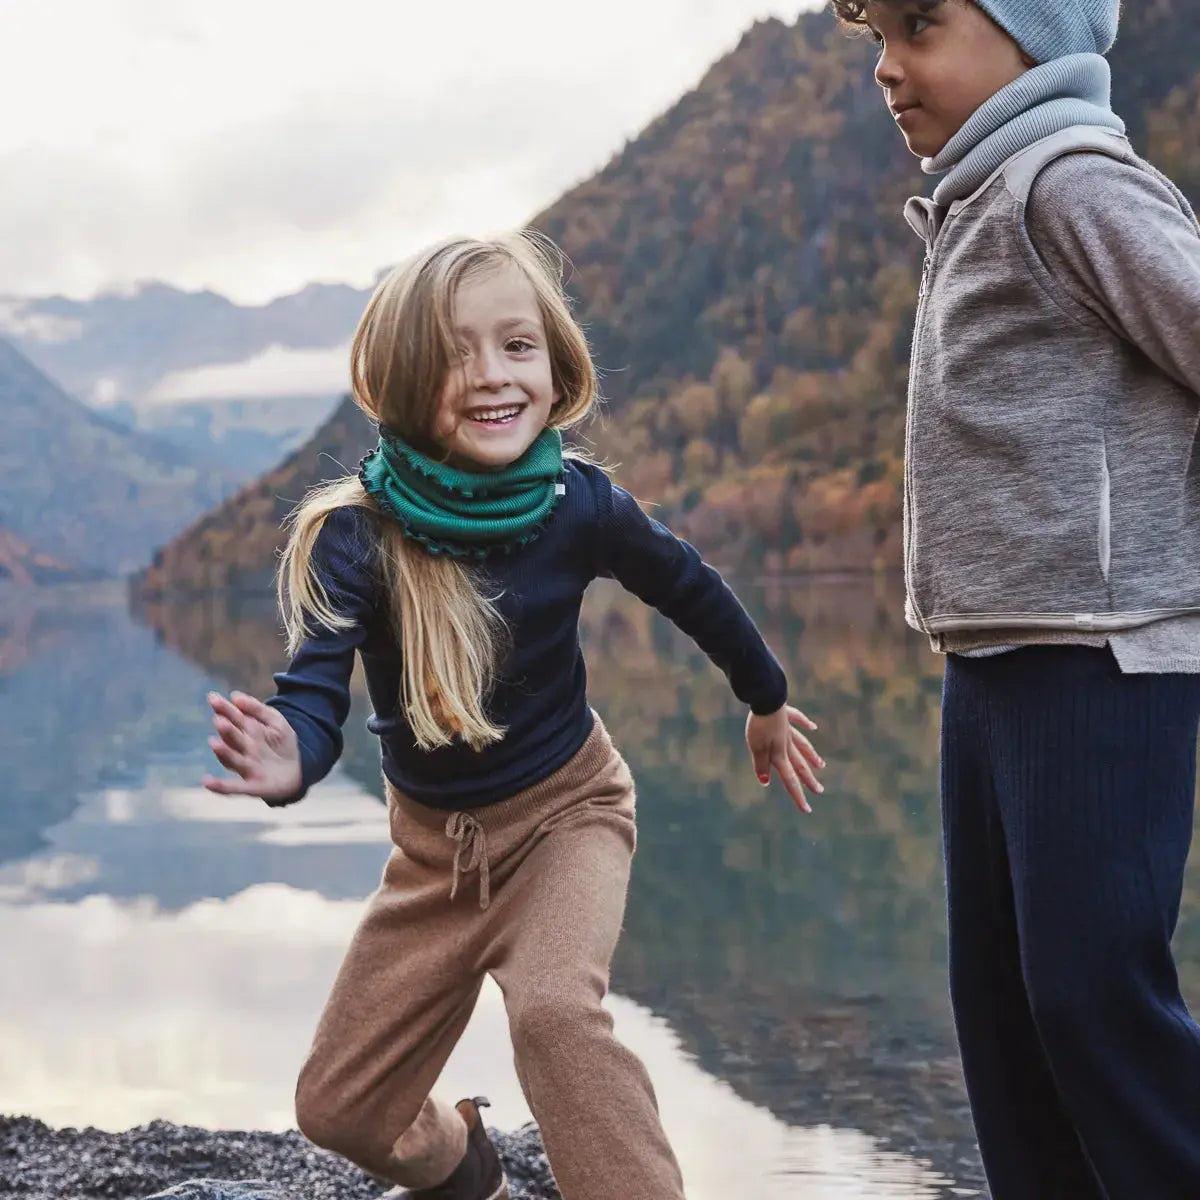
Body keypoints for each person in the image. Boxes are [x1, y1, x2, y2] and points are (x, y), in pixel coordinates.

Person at [203, 230, 825, 1200]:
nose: (492, 376)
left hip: (568, 819)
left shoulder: (579, 504)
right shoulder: (357, 537)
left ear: (556, 362)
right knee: (340, 1108)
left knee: (553, 1014)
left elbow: (688, 586)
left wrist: (767, 698)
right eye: (455, 353)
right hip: (433, 860)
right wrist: (294, 757)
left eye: (517, 345)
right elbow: (316, 690)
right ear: (404, 377)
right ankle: (465, 1168)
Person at [832, 1, 1200, 1196]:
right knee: (1005, 1016)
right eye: (877, 36)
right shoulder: (975, 200)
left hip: (1103, 661)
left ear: (1035, 32)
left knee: (1093, 998)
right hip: (989, 665)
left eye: (921, 25)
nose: (890, 68)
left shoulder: (1073, 186)